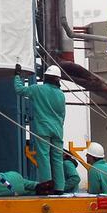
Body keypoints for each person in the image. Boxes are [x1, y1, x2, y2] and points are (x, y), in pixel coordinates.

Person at [13, 63, 66, 193]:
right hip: (58, 130)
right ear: (58, 79)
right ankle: (60, 187)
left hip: (43, 129)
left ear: (46, 77)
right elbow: (62, 115)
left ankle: (46, 186)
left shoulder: (38, 89)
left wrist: (17, 76)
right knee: (57, 159)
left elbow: (19, 90)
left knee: (44, 157)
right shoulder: (61, 94)